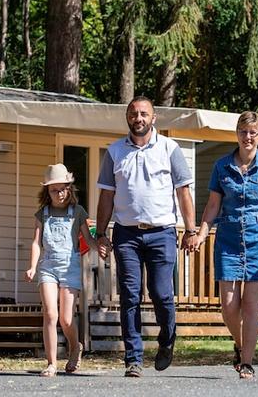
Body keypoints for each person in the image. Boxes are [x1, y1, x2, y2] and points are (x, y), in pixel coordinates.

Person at [95, 96, 198, 378]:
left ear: (154, 118)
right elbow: (106, 195)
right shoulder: (115, 152)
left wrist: (190, 230)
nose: (138, 118)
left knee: (161, 293)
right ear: (127, 118)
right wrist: (101, 233)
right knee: (129, 295)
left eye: (143, 114)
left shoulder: (170, 148)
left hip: (162, 232)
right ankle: (133, 358)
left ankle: (166, 340)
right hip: (126, 234)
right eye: (133, 114)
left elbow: (183, 193)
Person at [195, 111, 258, 380]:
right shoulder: (221, 166)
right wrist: (203, 232)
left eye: (253, 132)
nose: (248, 137)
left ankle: (247, 362)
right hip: (227, 240)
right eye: (243, 131)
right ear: (237, 133)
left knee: (251, 305)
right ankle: (240, 345)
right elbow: (213, 204)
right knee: (228, 305)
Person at [26, 163, 97, 377]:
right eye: (54, 190)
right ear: (47, 192)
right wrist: (32, 266)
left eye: (63, 189)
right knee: (50, 313)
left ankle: (75, 347)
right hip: (47, 266)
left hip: (70, 267)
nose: (59, 194)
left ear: (69, 188)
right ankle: (51, 363)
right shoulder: (43, 214)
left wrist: (101, 246)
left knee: (66, 318)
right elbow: (37, 243)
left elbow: (89, 238)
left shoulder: (78, 212)